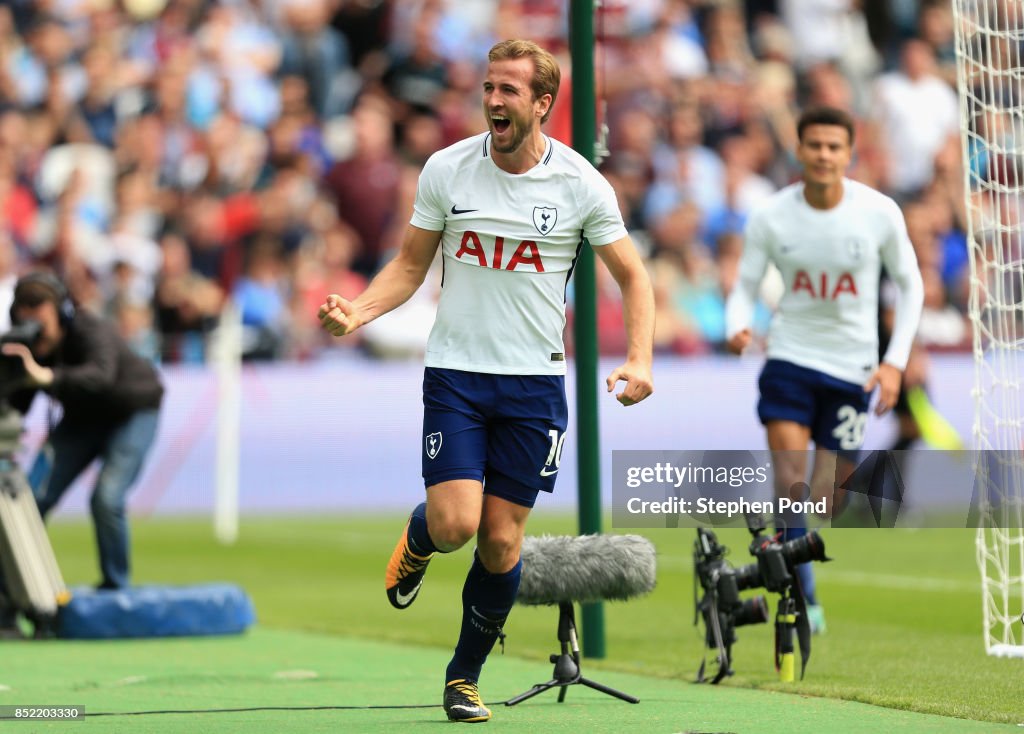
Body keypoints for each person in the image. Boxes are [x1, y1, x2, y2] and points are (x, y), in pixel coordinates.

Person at [318, 39, 655, 722]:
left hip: (534, 385)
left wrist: (641, 359)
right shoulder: (447, 169)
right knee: (455, 525)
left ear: (543, 104)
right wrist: (359, 309)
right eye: (489, 88)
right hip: (458, 376)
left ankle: (462, 678)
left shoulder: (581, 184)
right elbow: (411, 267)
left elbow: (633, 275)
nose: (494, 102)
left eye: (509, 91)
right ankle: (420, 539)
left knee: (502, 541)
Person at [725, 106, 924, 634]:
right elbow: (745, 284)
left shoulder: (878, 212)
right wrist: (738, 323)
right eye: (815, 145)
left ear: (849, 153)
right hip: (789, 359)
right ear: (800, 150)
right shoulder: (772, 215)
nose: (824, 155)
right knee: (791, 482)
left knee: (825, 497)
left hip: (852, 371)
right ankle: (802, 594)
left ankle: (790, 560)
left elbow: (912, 286)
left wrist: (894, 364)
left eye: (834, 147)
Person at [0, 271, 163, 636]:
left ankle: (116, 591)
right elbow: (18, 402)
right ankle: (10, 601)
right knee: (27, 499)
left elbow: (99, 377)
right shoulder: (29, 349)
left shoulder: (93, 331)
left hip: (132, 413)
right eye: (24, 314)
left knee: (106, 498)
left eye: (38, 314)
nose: (32, 324)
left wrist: (44, 375)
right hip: (80, 421)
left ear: (62, 312)